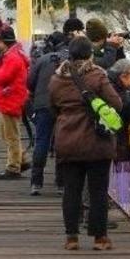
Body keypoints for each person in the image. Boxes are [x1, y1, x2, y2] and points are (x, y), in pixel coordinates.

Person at [49, 36, 122, 251]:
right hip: (96, 141)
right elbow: (116, 103)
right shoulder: (97, 76)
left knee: (71, 190)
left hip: (67, 140)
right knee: (98, 191)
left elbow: (52, 107)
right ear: (90, 54)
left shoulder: (56, 79)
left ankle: (71, 237)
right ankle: (100, 238)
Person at [27, 19, 83, 195]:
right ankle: (61, 183)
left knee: (41, 141)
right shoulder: (73, 60)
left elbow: (30, 82)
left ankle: (36, 182)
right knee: (61, 143)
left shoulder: (42, 59)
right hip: (64, 106)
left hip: (42, 104)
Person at [0, 27, 31, 180]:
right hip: (10, 99)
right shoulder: (13, 54)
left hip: (10, 100)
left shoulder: (12, 58)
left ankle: (13, 167)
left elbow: (2, 77)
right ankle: (21, 159)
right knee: (5, 133)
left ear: (4, 42)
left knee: (11, 136)